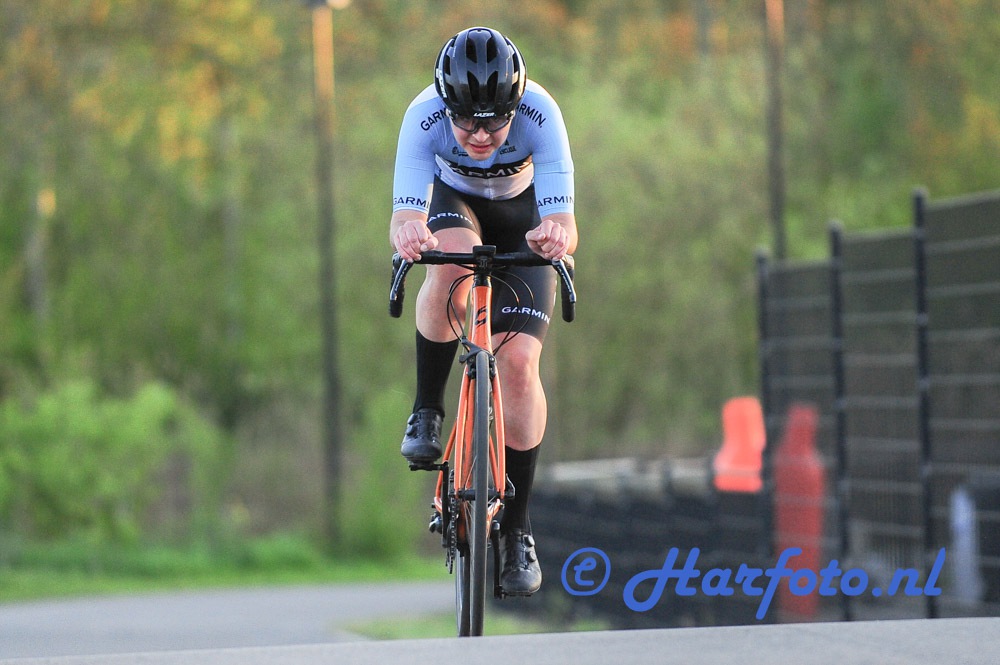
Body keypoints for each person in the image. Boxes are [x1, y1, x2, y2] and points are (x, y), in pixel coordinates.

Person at [389, 26, 577, 596]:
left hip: (522, 217)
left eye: (494, 123)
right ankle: (427, 410)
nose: (478, 135)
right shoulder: (421, 116)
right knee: (448, 265)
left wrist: (554, 237)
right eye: (466, 121)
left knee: (518, 366)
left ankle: (517, 531)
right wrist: (410, 234)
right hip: (455, 206)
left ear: (515, 108)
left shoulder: (542, 113)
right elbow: (404, 219)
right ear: (445, 106)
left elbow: (565, 225)